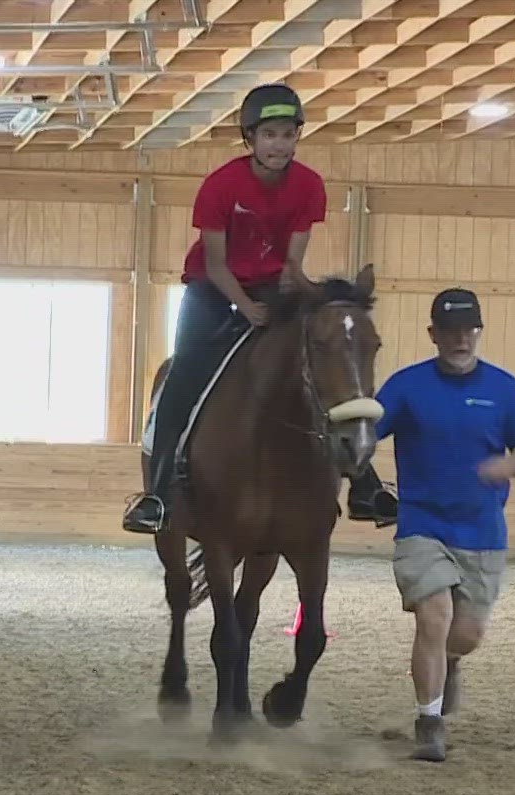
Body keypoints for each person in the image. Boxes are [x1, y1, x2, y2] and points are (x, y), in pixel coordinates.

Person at [122, 83, 396, 535]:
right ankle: (158, 492)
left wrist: (305, 291)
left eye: (288, 135)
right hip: (212, 289)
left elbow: (293, 260)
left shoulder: (309, 186)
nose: (279, 145)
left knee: (316, 361)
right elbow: (215, 262)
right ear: (250, 138)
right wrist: (246, 307)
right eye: (269, 135)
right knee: (187, 372)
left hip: (272, 286)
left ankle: (364, 485)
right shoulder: (221, 185)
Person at [372, 288, 515, 762]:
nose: (460, 339)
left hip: (482, 532)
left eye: (468, 330)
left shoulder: (504, 389)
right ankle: (429, 722)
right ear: (433, 335)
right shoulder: (407, 387)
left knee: (465, 635)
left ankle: (449, 663)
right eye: (449, 331)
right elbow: (367, 432)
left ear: (479, 333)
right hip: (421, 524)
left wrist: (505, 469)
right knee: (433, 616)